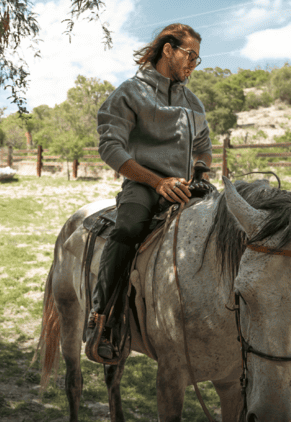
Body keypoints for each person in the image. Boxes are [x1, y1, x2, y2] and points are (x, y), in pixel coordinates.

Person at [88, 23, 213, 364]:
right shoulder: (129, 93)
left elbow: (203, 147)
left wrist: (200, 173)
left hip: (186, 187)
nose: (192, 65)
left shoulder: (192, 102)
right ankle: (102, 321)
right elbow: (111, 148)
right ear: (168, 50)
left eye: (197, 60)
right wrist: (157, 183)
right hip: (143, 185)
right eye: (190, 55)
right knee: (127, 229)